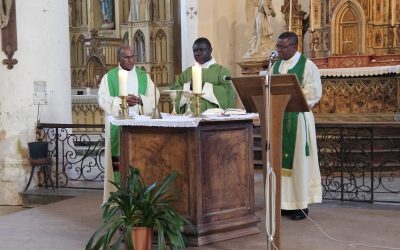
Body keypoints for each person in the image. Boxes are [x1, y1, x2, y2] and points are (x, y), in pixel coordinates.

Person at [98, 45, 160, 203]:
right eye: (127, 57)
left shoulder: (143, 76)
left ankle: (140, 200)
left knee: (139, 162)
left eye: (133, 56)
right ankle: (121, 204)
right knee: (119, 164)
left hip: (139, 128)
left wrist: (140, 100)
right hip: (118, 129)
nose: (131, 60)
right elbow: (102, 99)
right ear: (119, 59)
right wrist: (122, 102)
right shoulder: (109, 77)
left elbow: (154, 97)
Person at [272, 31, 322, 220]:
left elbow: (314, 91)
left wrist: (293, 93)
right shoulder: (275, 66)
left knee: (299, 162)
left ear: (294, 46)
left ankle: (300, 205)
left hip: (298, 119)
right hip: (279, 119)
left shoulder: (307, 65)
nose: (279, 50)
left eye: (282, 47)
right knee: (279, 163)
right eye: (278, 46)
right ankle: (284, 203)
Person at [171, 37, 236, 113]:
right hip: (189, 118)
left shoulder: (222, 72)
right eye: (195, 51)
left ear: (210, 50)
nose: (198, 53)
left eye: (202, 50)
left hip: (213, 118)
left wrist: (204, 86)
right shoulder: (187, 73)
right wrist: (188, 86)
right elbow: (174, 91)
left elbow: (228, 93)